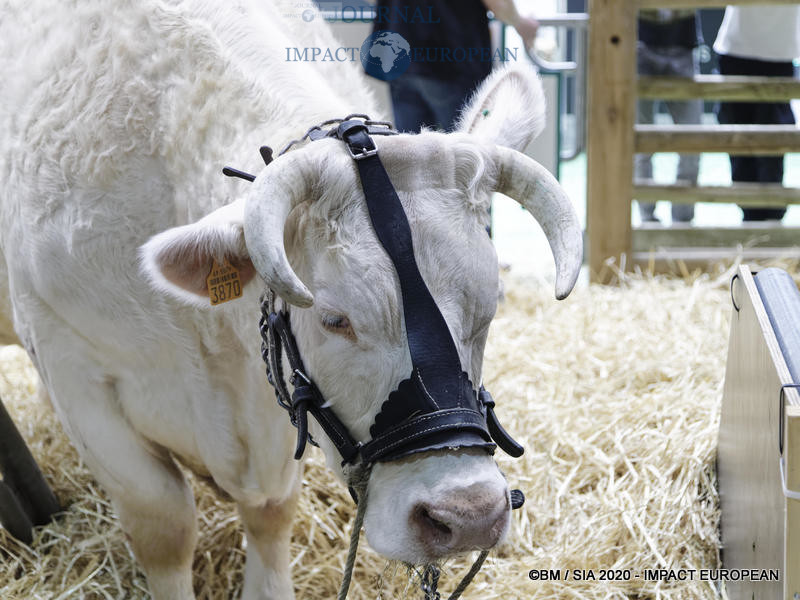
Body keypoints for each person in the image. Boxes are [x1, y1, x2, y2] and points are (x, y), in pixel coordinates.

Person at [369, 0, 539, 132]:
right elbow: (499, 4)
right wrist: (520, 23)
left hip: (398, 52)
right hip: (449, 57)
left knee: (411, 161)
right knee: (468, 157)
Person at [714, 5, 800, 222]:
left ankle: (770, 220)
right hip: (736, 49)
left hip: (779, 53)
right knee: (739, 140)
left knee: (774, 140)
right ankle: (751, 218)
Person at [635, 9, 703, 224]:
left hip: (682, 44)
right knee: (641, 144)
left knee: (692, 142)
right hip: (640, 42)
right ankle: (647, 218)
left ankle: (682, 221)